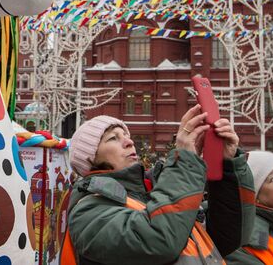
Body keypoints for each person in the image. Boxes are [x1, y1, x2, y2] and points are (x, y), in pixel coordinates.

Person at [63, 105, 256, 264]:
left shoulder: (155, 188)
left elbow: (228, 238)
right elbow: (159, 241)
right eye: (113, 138)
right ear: (91, 159)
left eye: (126, 135)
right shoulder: (87, 212)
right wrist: (185, 161)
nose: (129, 142)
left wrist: (227, 166)